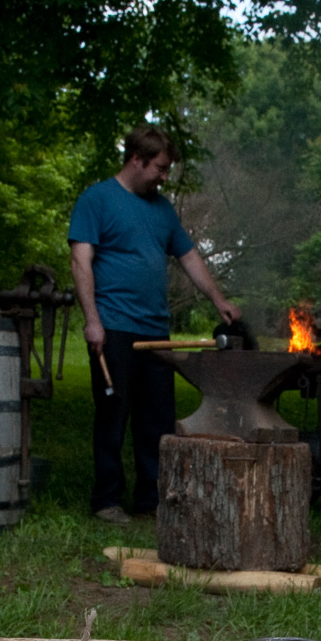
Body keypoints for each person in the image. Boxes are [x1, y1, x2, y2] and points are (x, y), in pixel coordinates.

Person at [69, 125, 242, 525]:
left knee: (157, 419)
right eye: (160, 168)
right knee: (113, 416)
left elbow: (190, 257)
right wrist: (92, 321)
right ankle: (107, 500)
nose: (165, 176)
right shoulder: (97, 200)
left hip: (156, 333)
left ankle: (152, 500)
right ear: (136, 160)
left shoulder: (162, 209)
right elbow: (81, 261)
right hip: (113, 327)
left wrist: (219, 301)